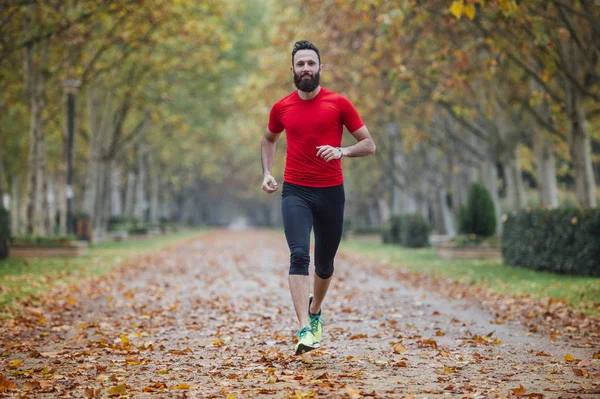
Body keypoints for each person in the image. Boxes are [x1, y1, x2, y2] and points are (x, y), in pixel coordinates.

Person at [261, 40, 376, 355]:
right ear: (293, 70)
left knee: (325, 264)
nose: (306, 69)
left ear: (320, 68)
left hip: (330, 192)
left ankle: (315, 310)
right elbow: (269, 138)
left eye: (311, 63)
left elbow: (369, 144)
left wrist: (341, 151)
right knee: (299, 255)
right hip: (295, 191)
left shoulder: (338, 103)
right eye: (301, 64)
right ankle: (303, 329)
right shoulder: (281, 107)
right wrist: (267, 172)